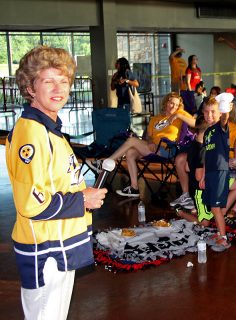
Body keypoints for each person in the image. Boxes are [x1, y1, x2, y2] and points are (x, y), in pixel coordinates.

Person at [6, 46, 107, 319]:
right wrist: (83, 200)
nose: (58, 88)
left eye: (63, 81)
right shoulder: (32, 134)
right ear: (30, 88)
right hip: (46, 248)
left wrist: (82, 195)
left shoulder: (51, 131)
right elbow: (32, 202)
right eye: (48, 81)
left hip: (60, 243)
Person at [88, 93, 195, 199]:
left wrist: (178, 115)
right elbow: (148, 137)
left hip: (167, 149)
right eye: (171, 103)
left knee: (131, 141)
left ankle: (105, 162)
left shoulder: (180, 115)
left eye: (176, 105)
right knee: (130, 152)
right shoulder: (155, 119)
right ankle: (134, 187)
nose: (174, 106)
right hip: (153, 148)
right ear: (166, 102)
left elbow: (195, 123)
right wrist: (150, 142)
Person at [201, 93, 235, 252]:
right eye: (206, 112)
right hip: (210, 172)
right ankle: (220, 232)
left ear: (220, 112)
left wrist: (225, 109)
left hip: (220, 170)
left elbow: (224, 119)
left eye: (213, 111)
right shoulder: (207, 132)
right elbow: (206, 156)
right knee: (217, 207)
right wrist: (203, 176)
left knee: (215, 207)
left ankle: (223, 239)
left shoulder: (220, 127)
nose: (209, 115)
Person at [175, 115, 213, 227]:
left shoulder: (193, 144)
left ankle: (200, 209)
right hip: (199, 191)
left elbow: (186, 168)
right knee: (205, 223)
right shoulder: (203, 150)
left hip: (195, 187)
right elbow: (199, 177)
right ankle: (180, 212)